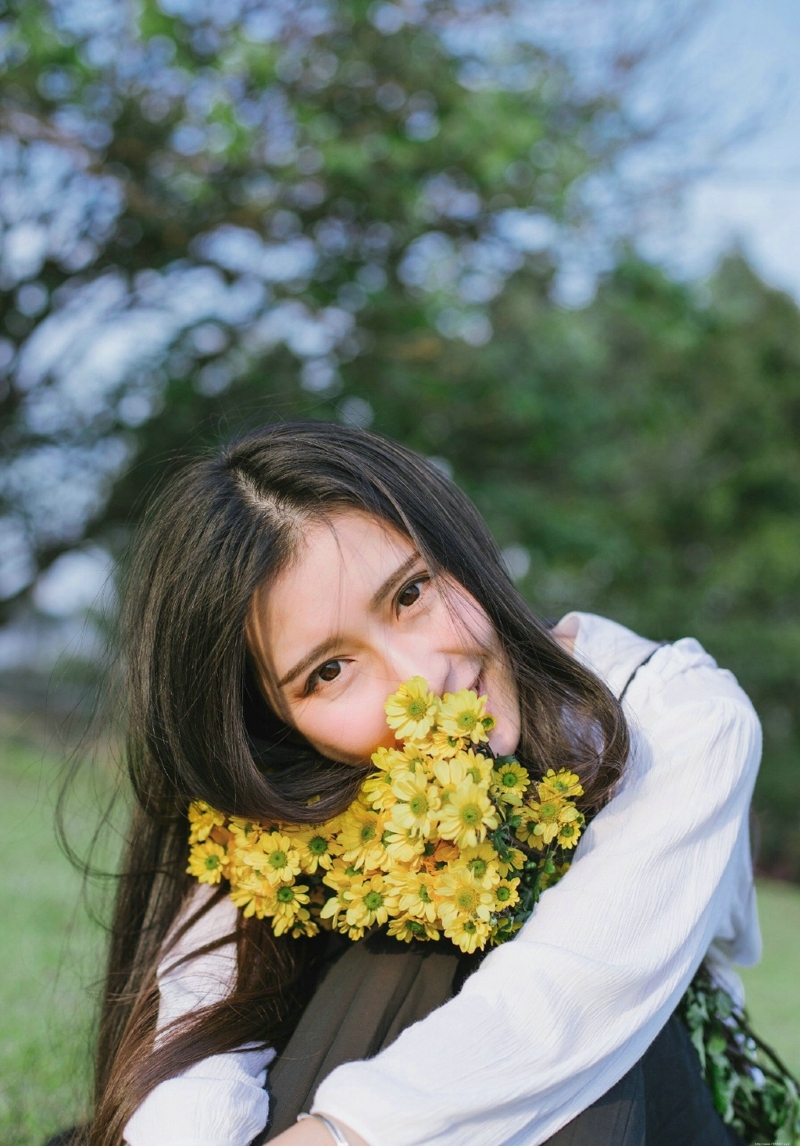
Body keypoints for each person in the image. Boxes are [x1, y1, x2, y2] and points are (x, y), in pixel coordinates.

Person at [87, 422, 760, 1146]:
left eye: (410, 593)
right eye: (329, 671)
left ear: (459, 550)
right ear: (276, 725)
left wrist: (335, 1136)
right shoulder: (301, 798)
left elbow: (568, 1000)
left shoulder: (683, 719)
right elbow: (203, 1037)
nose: (421, 680)